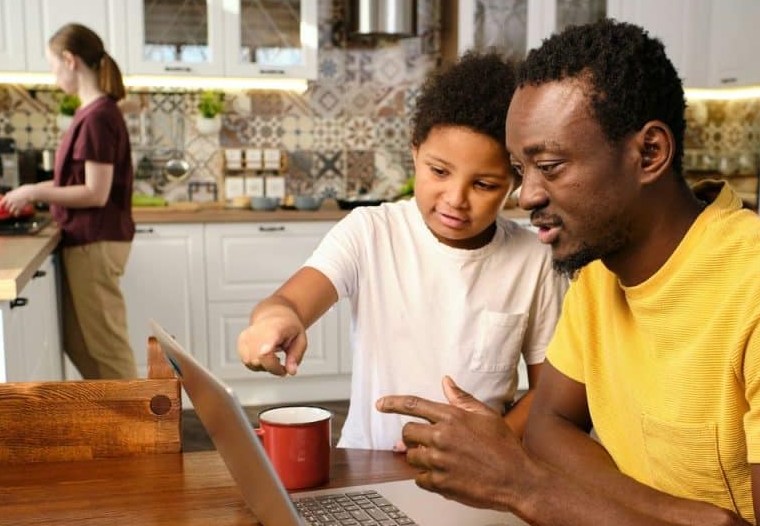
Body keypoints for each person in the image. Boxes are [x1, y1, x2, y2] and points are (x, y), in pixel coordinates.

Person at [377, 19, 760, 526]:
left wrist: (526, 487)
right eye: (519, 169)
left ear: (649, 152)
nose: (526, 194)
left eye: (550, 166)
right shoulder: (597, 275)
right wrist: (674, 513)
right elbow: (548, 425)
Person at [237, 52, 566, 450]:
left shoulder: (534, 259)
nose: (456, 199)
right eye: (439, 171)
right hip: (367, 466)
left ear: (517, 181)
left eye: (484, 185)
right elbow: (288, 302)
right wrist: (272, 322)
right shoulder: (370, 232)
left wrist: (491, 443)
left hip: (482, 476)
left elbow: (549, 395)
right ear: (415, 153)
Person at [3, 23, 137, 380]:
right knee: (78, 343)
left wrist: (34, 191)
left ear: (69, 60)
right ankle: (110, 424)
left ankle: (142, 432)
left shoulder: (98, 116)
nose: (53, 74)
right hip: (85, 240)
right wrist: (31, 190)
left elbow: (95, 192)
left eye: (52, 65)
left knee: (107, 347)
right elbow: (73, 182)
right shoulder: (90, 113)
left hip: (96, 243)